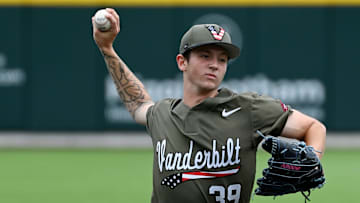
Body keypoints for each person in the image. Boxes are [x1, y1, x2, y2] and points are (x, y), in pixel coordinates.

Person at [92, 8, 326, 203]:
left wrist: (312, 162)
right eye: (205, 56)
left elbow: (314, 128)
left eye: (222, 59)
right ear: (182, 62)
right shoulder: (163, 113)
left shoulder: (247, 109)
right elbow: (138, 102)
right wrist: (107, 49)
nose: (215, 64)